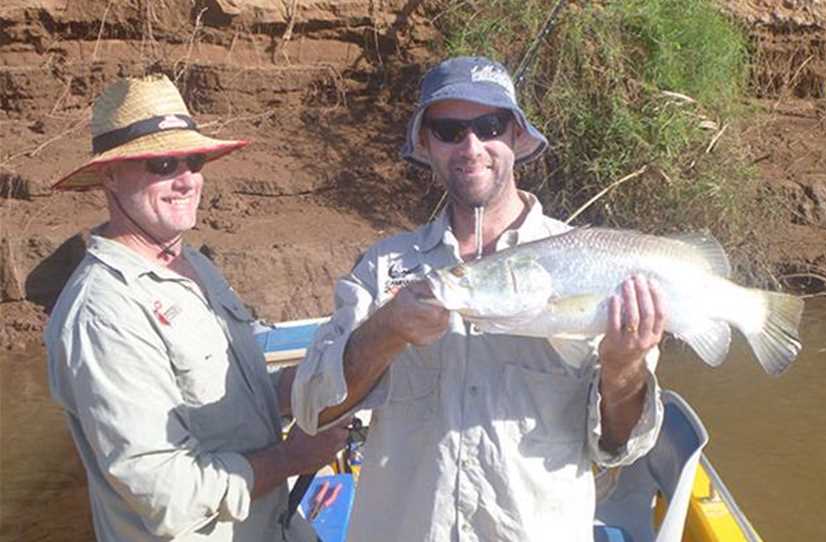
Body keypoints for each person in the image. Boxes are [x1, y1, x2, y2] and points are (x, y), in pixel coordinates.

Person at [291, 56, 667, 541]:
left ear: (515, 136)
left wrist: (624, 370)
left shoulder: (595, 261)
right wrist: (386, 331)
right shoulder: (384, 268)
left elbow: (621, 447)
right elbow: (311, 411)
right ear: (425, 145)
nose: (471, 146)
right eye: (448, 130)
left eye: (490, 125)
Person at [44, 74, 348, 541]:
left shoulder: (196, 267)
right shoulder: (102, 314)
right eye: (163, 163)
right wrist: (292, 458)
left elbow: (229, 397)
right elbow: (169, 492)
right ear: (109, 175)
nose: (186, 179)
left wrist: (312, 384)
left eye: (194, 159)